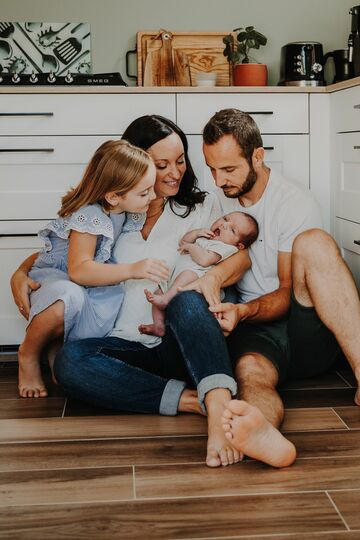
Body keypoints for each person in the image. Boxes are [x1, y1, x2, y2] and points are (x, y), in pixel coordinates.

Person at [11, 115, 251, 468]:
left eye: (181, 160)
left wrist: (213, 279)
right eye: (161, 164)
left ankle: (217, 407)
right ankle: (189, 400)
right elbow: (65, 253)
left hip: (177, 341)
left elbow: (240, 256)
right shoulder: (115, 210)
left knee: (186, 300)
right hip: (124, 346)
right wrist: (19, 272)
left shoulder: (203, 207)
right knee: (70, 362)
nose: (174, 173)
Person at [180, 108, 360, 468]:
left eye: (228, 169)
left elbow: (284, 292)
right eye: (212, 169)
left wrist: (244, 310)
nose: (218, 180)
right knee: (249, 372)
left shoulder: (293, 203)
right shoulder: (219, 200)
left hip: (304, 322)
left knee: (315, 242)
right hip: (258, 334)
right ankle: (264, 433)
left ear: (257, 156)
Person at [17, 139, 171, 399]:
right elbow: (78, 270)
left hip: (81, 281)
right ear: (113, 195)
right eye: (144, 193)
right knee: (70, 297)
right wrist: (133, 270)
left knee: (104, 306)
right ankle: (28, 355)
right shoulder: (91, 214)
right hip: (58, 278)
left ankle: (58, 352)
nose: (153, 196)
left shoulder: (120, 208)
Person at [139, 211, 259, 337]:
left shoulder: (227, 248)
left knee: (187, 275)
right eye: (225, 219)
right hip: (175, 277)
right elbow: (183, 243)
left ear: (239, 245)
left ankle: (165, 300)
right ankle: (159, 326)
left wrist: (191, 247)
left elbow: (204, 260)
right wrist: (196, 233)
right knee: (158, 291)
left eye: (232, 230)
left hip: (196, 279)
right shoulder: (207, 235)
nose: (224, 225)